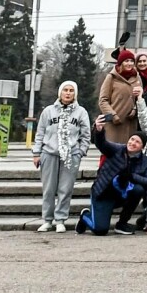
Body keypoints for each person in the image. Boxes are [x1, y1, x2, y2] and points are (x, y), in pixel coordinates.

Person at [76, 115, 147, 236]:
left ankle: (122, 223)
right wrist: (99, 130)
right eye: (132, 139)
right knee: (100, 230)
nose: (133, 143)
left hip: (121, 195)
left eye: (137, 142)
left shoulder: (144, 161)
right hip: (103, 193)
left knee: (138, 189)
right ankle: (85, 216)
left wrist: (132, 176)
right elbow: (102, 144)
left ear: (142, 147)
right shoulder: (117, 149)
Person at [33, 80, 90, 232]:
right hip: (49, 153)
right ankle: (47, 219)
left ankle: (60, 219)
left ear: (75, 94)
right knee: (49, 189)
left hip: (71, 155)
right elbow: (40, 133)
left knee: (65, 189)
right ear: (60, 92)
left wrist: (80, 151)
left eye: (71, 90)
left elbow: (85, 135)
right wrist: (37, 153)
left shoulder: (81, 112)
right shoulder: (48, 111)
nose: (68, 93)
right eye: (65, 90)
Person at [98, 50, 143, 144]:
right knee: (112, 153)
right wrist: (112, 115)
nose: (129, 63)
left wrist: (135, 109)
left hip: (130, 123)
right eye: (126, 61)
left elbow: (140, 98)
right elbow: (103, 100)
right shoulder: (111, 77)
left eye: (131, 61)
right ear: (120, 63)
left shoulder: (137, 77)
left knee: (129, 153)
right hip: (114, 124)